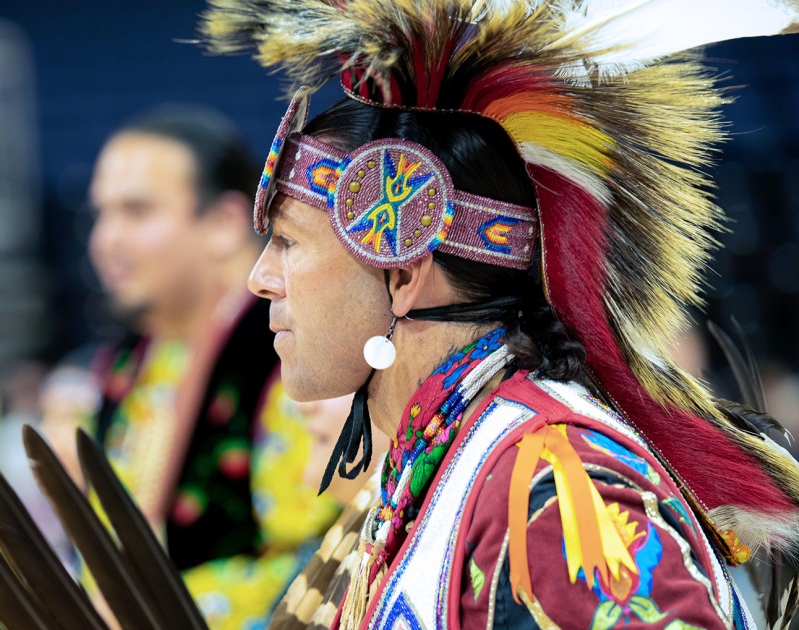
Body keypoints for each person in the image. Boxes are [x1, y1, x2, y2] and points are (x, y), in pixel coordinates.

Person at [193, 1, 799, 628]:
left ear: (401, 274)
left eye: (288, 243)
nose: (259, 279)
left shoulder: (558, 501)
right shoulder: (442, 467)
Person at [86, 104, 345, 628]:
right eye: (99, 214)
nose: (103, 241)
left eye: (136, 212)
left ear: (225, 224)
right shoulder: (128, 362)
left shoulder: (286, 352)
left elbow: (317, 564)